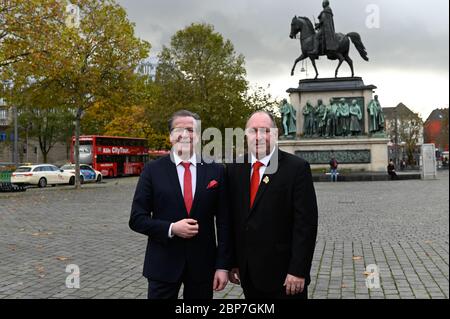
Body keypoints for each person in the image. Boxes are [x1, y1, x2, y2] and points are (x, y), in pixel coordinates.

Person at [129, 110, 231, 299]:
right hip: (162, 265)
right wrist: (171, 228)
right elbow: (136, 219)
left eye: (191, 130)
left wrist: (223, 265)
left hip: (202, 266)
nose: (185, 134)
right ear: (170, 136)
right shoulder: (152, 171)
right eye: (179, 129)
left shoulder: (216, 170)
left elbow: (224, 223)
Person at [226, 111, 318, 299]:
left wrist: (298, 270)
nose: (259, 137)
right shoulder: (235, 168)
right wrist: (233, 261)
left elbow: (305, 225)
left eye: (265, 131)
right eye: (253, 131)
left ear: (275, 134)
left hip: (285, 277)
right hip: (248, 274)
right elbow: (232, 219)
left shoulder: (296, 168)